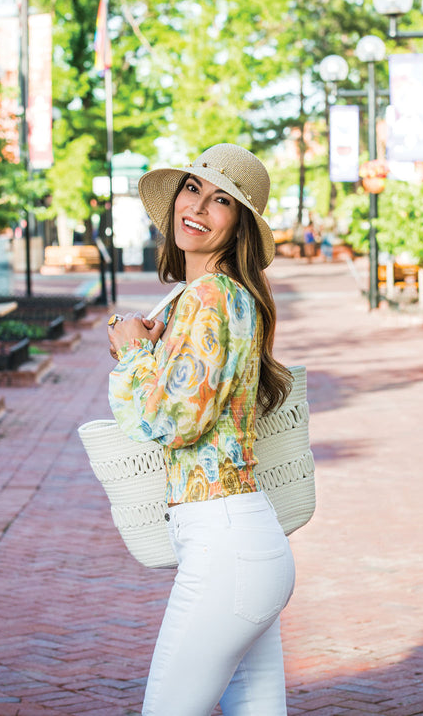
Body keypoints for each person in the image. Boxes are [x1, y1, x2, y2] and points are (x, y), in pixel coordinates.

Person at [106, 143, 296, 715]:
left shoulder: (208, 298)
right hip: (245, 539)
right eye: (193, 189)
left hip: (225, 545)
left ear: (238, 224)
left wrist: (133, 353)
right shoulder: (227, 297)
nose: (199, 207)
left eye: (221, 201)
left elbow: (173, 421)